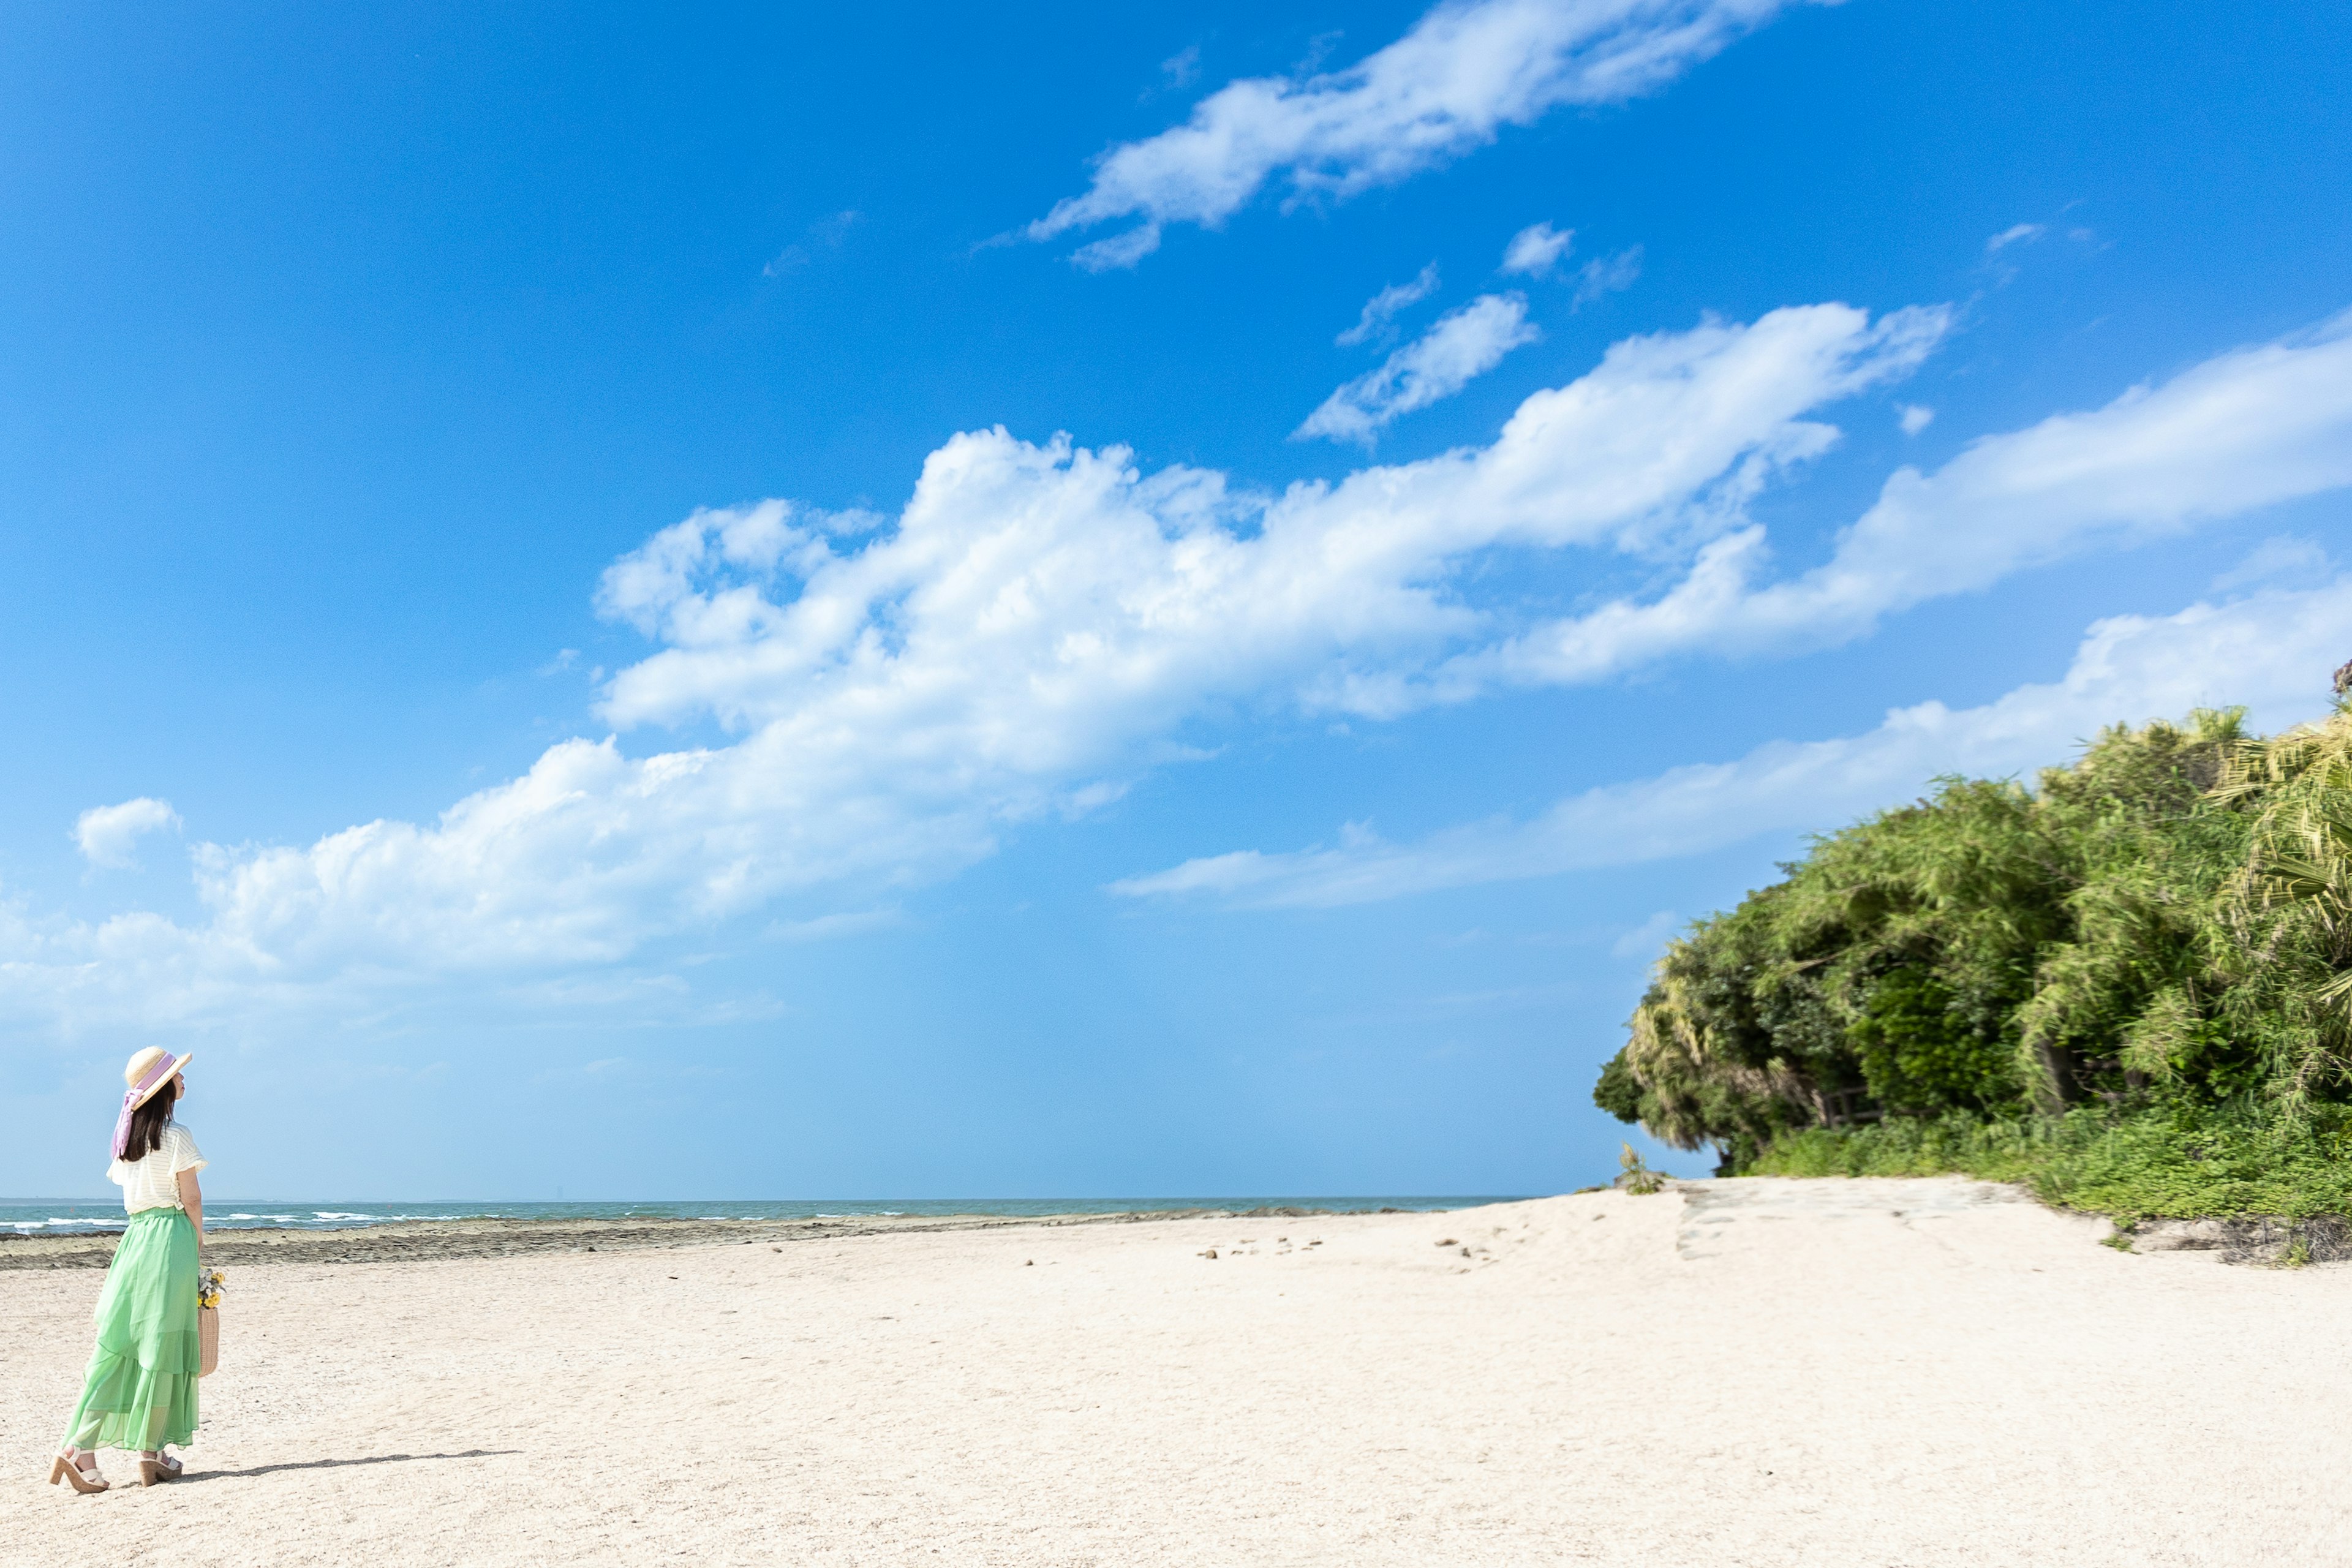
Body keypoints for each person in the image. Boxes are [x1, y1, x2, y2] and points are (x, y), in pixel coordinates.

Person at [49, 1047, 208, 1493]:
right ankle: (149, 1451)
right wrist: (197, 1242)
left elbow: (131, 1193)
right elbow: (190, 1198)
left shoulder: (126, 1140)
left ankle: (82, 1447)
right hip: (170, 1238)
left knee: (118, 1346)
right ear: (164, 1090)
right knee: (164, 1344)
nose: (183, 1082)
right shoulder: (176, 1137)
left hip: (136, 1240)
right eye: (177, 1076)